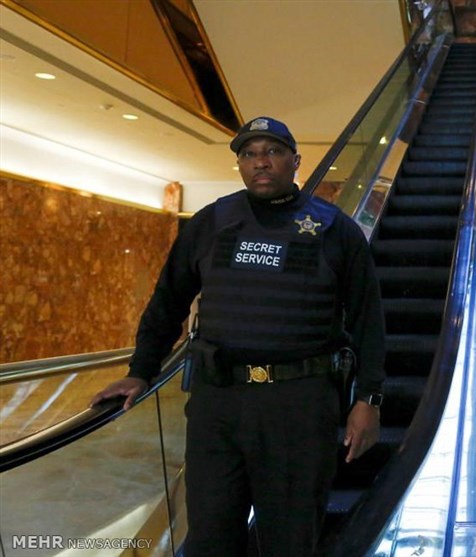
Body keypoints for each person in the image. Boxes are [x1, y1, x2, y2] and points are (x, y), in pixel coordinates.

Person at [91, 116, 386, 557]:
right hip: (218, 404)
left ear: (295, 161)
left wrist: (369, 398)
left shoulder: (333, 229)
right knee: (210, 536)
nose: (260, 162)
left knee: (290, 540)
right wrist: (141, 370)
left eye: (272, 152)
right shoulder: (212, 222)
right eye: (249, 154)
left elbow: (368, 319)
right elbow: (168, 301)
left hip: (299, 407)